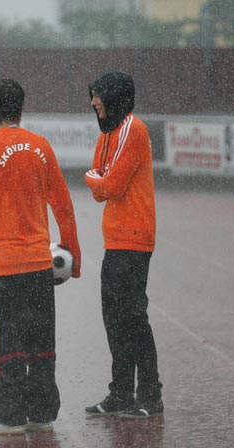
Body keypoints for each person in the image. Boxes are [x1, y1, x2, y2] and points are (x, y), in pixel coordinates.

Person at [0, 78, 81, 435]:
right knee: (41, 342)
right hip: (40, 266)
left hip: (2, 269)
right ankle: (43, 414)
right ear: (21, 107)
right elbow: (63, 203)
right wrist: (75, 254)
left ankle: (11, 416)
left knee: (6, 343)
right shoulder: (41, 146)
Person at [83, 71, 163, 418]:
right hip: (115, 239)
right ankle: (121, 393)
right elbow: (99, 183)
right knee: (114, 319)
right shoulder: (107, 133)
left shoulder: (133, 129)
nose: (93, 102)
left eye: (98, 95)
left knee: (133, 319)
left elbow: (108, 185)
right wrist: (97, 180)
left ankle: (150, 395)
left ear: (114, 96)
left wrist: (95, 180)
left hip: (134, 238)